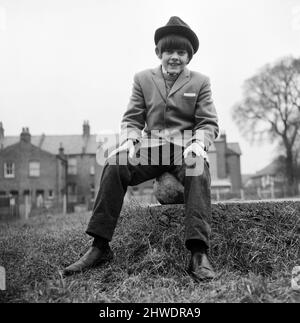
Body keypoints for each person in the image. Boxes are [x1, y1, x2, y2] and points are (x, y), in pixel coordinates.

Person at [63, 16, 219, 281]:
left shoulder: (201, 82)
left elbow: (208, 122)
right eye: (169, 51)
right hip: (152, 146)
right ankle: (99, 247)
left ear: (189, 56)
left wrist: (198, 144)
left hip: (185, 148)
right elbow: (133, 118)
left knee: (196, 168)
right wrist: (129, 140)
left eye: (181, 52)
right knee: (115, 164)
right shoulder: (142, 79)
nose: (174, 57)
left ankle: (198, 252)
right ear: (159, 52)